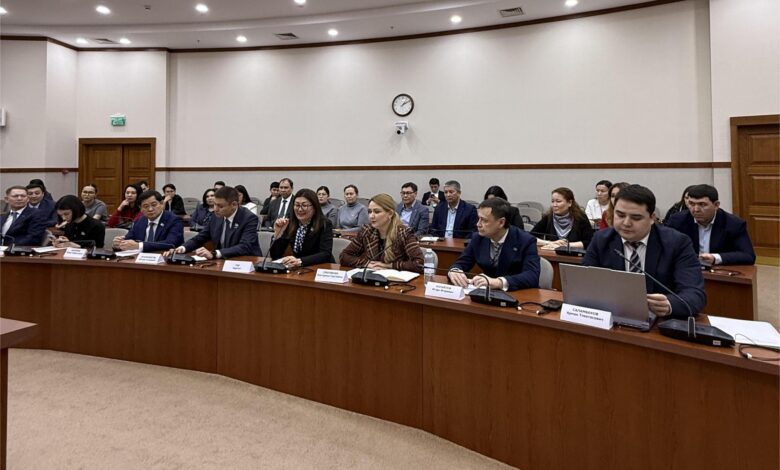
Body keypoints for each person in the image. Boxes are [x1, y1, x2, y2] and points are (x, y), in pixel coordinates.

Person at [583, 184, 706, 318]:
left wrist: (670, 304)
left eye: (636, 218)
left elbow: (695, 294)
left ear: (652, 218)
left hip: (659, 321)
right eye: (620, 215)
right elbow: (585, 283)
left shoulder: (677, 243)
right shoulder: (601, 240)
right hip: (612, 317)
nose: (626, 223)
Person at [448, 197, 540, 291]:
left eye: (484, 220)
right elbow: (461, 263)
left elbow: (532, 276)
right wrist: (455, 271)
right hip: (487, 293)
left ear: (501, 222)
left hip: (517, 293)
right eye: (479, 219)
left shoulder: (525, 240)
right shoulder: (478, 238)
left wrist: (499, 282)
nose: (478, 224)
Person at [664, 184, 755, 266]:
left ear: (716, 205)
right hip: (687, 269)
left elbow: (748, 255)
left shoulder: (733, 224)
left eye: (702, 204)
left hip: (719, 271)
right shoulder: (677, 220)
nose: (696, 209)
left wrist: (715, 258)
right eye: (691, 204)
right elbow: (664, 248)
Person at [167, 186, 260, 259]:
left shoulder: (249, 218)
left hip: (246, 261)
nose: (215, 209)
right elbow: (201, 237)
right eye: (215, 204)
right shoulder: (216, 216)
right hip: (222, 261)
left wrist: (215, 253)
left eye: (220, 206)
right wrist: (182, 248)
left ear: (234, 205)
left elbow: (245, 246)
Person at [340, 194, 424, 272]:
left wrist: (389, 266)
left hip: (395, 280)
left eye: (377, 212)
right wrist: (366, 264)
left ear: (390, 214)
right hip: (372, 278)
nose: (371, 216)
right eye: (369, 212)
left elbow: (419, 264)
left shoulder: (404, 233)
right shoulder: (367, 231)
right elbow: (344, 256)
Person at [269, 188, 335, 268]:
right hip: (299, 269)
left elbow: (325, 254)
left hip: (321, 267)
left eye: (304, 205)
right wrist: (277, 234)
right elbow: (275, 255)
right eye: (297, 205)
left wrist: (300, 261)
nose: (300, 209)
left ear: (314, 207)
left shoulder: (324, 223)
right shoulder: (290, 222)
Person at [114, 190, 184, 252]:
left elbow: (171, 243)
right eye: (146, 206)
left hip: (165, 258)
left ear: (162, 204)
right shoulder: (139, 222)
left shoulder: (174, 220)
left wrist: (139, 246)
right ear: (140, 208)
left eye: (154, 205)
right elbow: (128, 239)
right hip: (140, 260)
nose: (150, 209)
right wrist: (119, 244)